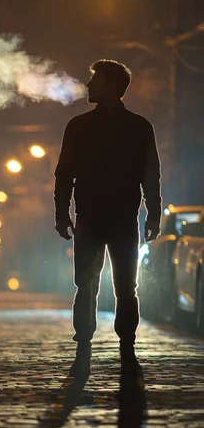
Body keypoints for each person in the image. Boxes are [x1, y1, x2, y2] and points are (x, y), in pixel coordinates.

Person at [54, 59, 161, 379]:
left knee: (95, 285)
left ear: (111, 86)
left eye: (94, 81)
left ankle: (94, 345)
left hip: (99, 217)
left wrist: (62, 213)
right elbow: (150, 176)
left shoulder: (82, 126)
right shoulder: (137, 125)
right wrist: (152, 214)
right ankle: (121, 348)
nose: (88, 86)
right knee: (123, 287)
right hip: (116, 218)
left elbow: (64, 175)